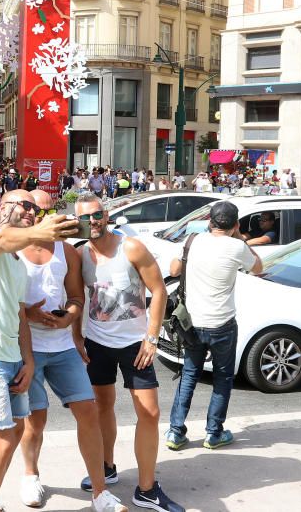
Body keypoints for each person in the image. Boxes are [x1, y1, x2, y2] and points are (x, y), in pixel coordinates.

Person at [0, 189, 79, 512]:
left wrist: (27, 360)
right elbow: (3, 241)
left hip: (12, 358)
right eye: (23, 205)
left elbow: (17, 314)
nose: (29, 211)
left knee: (16, 431)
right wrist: (43, 231)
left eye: (33, 208)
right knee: (1, 440)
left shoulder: (17, 266)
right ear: (2, 206)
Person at [75, 194, 184, 512]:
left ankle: (147, 489)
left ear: (106, 215)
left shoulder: (131, 247)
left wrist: (152, 338)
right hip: (97, 343)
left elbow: (159, 290)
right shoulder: (80, 254)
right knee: (101, 407)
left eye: (96, 215)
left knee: (149, 412)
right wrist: (76, 336)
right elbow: (78, 297)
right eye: (85, 218)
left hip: (135, 345)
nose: (92, 222)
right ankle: (107, 467)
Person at [18, 190, 126, 511]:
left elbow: (77, 297)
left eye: (51, 211)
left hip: (63, 347)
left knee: (88, 412)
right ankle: (30, 474)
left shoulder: (68, 251)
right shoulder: (15, 250)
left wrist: (70, 317)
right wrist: (29, 313)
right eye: (39, 212)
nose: (46, 217)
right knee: (35, 421)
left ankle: (100, 492)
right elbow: (2, 300)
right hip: (29, 348)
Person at [166, 201, 262, 452]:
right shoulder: (237, 246)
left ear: (210, 222)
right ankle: (213, 433)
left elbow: (174, 270)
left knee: (189, 374)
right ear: (235, 225)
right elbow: (259, 267)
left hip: (193, 322)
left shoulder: (193, 240)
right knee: (222, 378)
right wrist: (240, 236)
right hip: (222, 324)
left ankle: (175, 432)